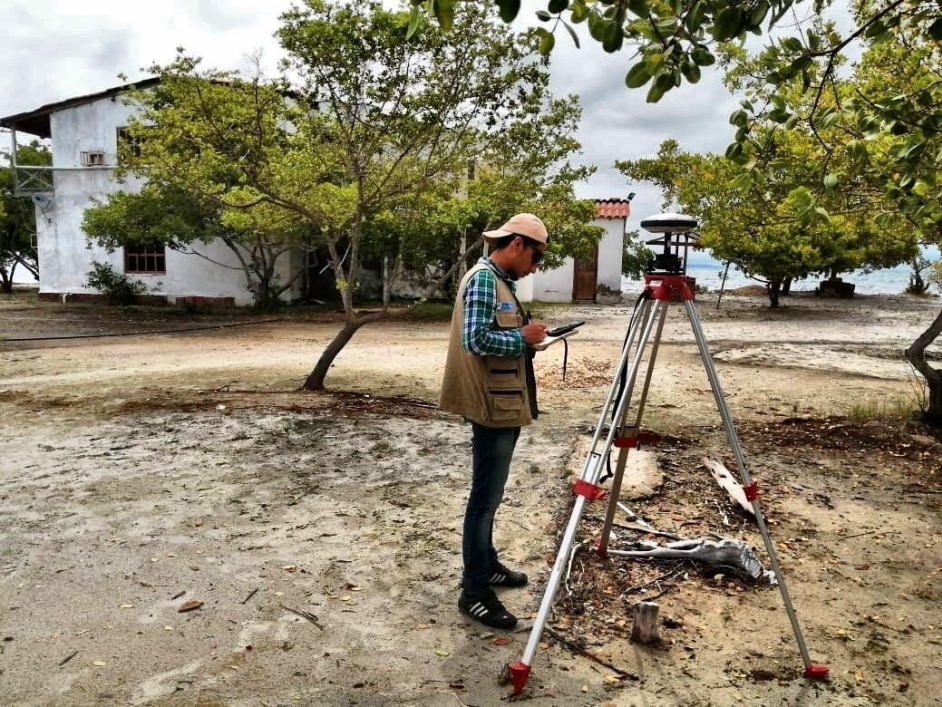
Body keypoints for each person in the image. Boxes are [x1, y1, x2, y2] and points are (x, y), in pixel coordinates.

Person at [439, 213, 549, 629]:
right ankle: (474, 591)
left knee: (490, 495)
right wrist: (522, 337)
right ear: (517, 244)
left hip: (501, 400)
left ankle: (487, 565)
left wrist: (530, 337)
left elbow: (492, 335)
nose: (535, 267)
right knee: (484, 499)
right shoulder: (486, 279)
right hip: (492, 405)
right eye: (535, 257)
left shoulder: (497, 279)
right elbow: (476, 339)